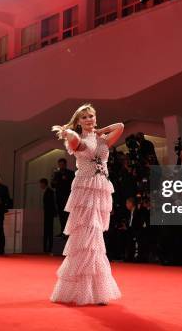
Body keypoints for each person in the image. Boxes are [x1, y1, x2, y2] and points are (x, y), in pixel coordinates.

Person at [50, 103, 123, 305]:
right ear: (78, 121)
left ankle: (94, 290)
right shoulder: (78, 140)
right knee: (89, 237)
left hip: (101, 190)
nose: (89, 119)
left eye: (91, 116)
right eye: (84, 117)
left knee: (95, 236)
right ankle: (89, 291)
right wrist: (69, 132)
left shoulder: (102, 139)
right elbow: (73, 140)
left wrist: (102, 130)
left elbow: (121, 126)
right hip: (85, 191)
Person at [51, 158, 74, 235]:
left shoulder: (70, 173)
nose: (61, 166)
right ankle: (62, 231)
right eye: (59, 164)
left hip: (67, 197)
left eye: (62, 164)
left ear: (65, 164)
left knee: (67, 215)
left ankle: (68, 232)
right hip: (59, 197)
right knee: (61, 215)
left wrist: (65, 180)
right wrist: (53, 180)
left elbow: (73, 185)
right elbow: (53, 185)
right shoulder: (56, 174)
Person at [40, 178, 56, 254]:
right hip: (47, 213)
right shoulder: (47, 191)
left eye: (41, 183)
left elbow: (51, 204)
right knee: (47, 231)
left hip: (49, 214)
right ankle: (46, 248)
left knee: (48, 231)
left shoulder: (50, 192)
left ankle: (48, 249)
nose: (40, 185)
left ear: (44, 183)